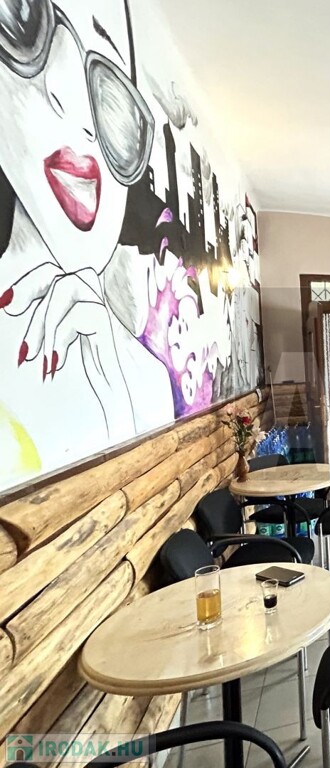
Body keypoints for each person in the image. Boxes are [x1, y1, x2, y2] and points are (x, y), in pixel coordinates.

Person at [0, 0, 171, 488]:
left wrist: (116, 406)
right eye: (25, 22)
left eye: (113, 99)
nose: (72, 103)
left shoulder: (147, 379)